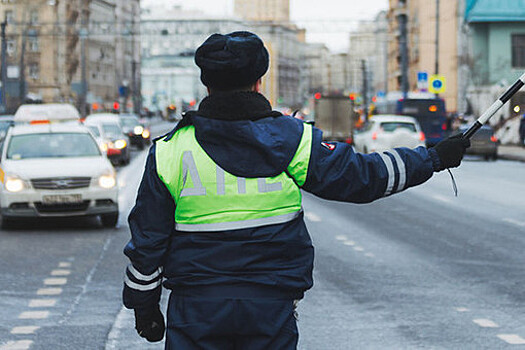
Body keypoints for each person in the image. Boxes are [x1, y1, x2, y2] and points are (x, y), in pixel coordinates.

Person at [122, 31, 470, 349]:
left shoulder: (170, 151)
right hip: (270, 308)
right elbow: (365, 177)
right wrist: (433, 158)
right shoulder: (292, 140)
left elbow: (147, 243)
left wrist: (145, 308)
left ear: (206, 86)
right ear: (259, 83)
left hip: (196, 309)